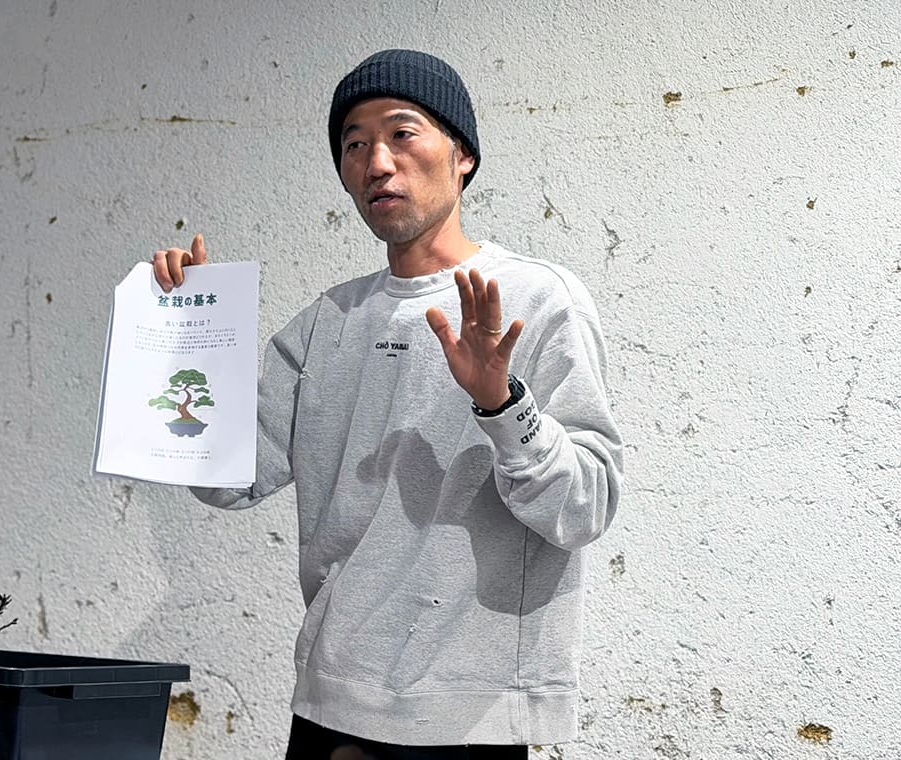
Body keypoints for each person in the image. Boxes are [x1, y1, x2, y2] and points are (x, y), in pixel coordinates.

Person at [152, 49, 623, 759]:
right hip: (332, 698)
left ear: (462, 155)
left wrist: (502, 405)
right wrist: (188, 339)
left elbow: (584, 507)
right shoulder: (326, 324)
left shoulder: (538, 299)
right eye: (354, 144)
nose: (376, 162)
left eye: (402, 133)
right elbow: (225, 479)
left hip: (467, 713)